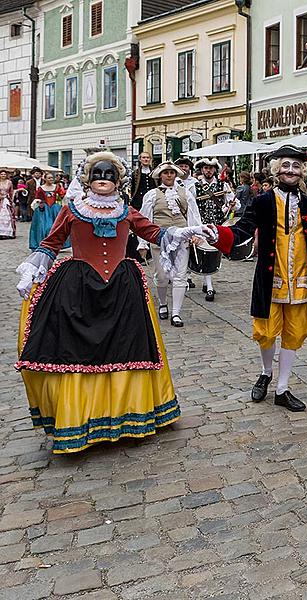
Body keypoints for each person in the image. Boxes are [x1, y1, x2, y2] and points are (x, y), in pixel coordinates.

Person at [14, 151, 211, 454]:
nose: (103, 181)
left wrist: (183, 232)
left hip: (122, 287)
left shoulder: (126, 210)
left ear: (119, 181)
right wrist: (33, 269)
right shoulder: (73, 210)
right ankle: (82, 420)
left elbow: (153, 232)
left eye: (109, 176)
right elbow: (52, 242)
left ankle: (126, 418)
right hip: (79, 289)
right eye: (97, 176)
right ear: (88, 180)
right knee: (77, 353)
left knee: (128, 347)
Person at [207, 145, 307, 412]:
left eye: (296, 167)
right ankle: (265, 372)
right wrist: (217, 235)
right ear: (276, 170)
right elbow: (242, 230)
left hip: (302, 279)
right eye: (285, 166)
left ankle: (282, 388)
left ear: (302, 172)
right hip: (270, 278)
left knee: (294, 333)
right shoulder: (262, 201)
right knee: (266, 333)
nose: (291, 171)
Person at [137, 162, 202, 327]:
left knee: (180, 276)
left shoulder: (185, 194)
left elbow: (193, 216)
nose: (169, 175)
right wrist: (143, 243)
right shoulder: (152, 195)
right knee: (162, 276)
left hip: (181, 240)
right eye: (165, 172)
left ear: (176, 175)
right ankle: (163, 303)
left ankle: (176, 313)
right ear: (160, 175)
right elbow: (145, 220)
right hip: (160, 240)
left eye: (171, 173)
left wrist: (195, 233)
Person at [194, 157, 237, 301]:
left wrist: (231, 204)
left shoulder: (223, 186)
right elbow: (191, 207)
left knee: (213, 254)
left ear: (215, 170)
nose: (208, 171)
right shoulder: (195, 186)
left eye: (211, 168)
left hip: (218, 225)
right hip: (202, 225)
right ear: (201, 170)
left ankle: (207, 283)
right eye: (206, 168)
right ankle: (209, 287)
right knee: (206, 254)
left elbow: (236, 205)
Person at [29, 172, 68, 252]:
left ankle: (57, 244)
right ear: (45, 179)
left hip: (55, 208)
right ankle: (44, 243)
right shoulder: (41, 188)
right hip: (44, 209)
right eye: (49, 178)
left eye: (52, 178)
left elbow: (62, 195)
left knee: (56, 226)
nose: (51, 179)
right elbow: (37, 198)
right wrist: (39, 203)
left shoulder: (56, 187)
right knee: (45, 227)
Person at [0, 169, 17, 239]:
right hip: (0, 200)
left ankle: (8, 233)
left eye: (4, 174)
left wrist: (12, 201)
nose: (3, 175)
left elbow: (11, 192)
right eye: (1, 174)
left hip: (7, 200)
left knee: (8, 216)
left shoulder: (9, 182)